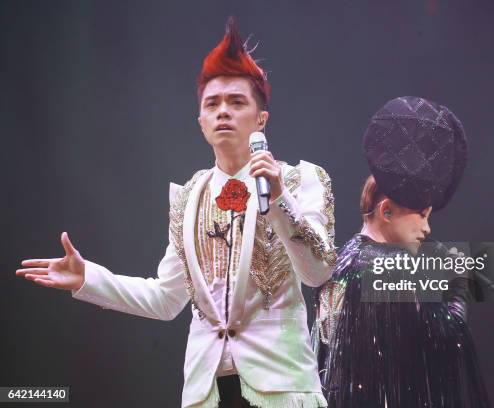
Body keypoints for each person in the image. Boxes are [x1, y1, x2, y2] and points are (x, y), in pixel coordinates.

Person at [16, 17, 336, 408]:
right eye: (212, 104)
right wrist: (89, 278)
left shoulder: (302, 179)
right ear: (200, 122)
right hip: (207, 391)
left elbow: (317, 271)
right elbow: (165, 300)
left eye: (237, 102)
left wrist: (280, 199)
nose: (223, 112)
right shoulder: (188, 197)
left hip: (282, 385)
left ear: (261, 119)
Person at [312, 96, 490, 407]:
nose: (427, 228)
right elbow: (449, 341)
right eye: (421, 214)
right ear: (387, 211)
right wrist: (459, 287)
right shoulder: (392, 267)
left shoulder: (340, 261)